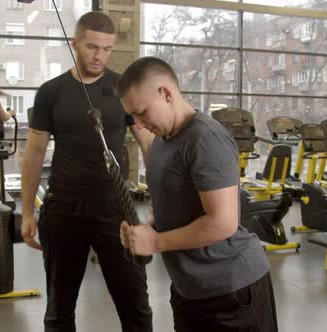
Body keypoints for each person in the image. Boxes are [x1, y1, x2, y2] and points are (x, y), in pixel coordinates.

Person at [117, 57, 278, 332]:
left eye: (142, 112)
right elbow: (179, 210)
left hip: (232, 291)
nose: (139, 124)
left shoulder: (205, 139)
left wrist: (155, 243)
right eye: (133, 116)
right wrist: (145, 232)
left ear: (166, 93)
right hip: (190, 290)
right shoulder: (162, 143)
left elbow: (222, 223)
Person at [20, 11, 154, 332]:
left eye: (107, 49)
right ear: (75, 43)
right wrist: (27, 211)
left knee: (136, 305)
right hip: (63, 209)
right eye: (93, 47)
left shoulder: (122, 89)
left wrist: (161, 202)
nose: (100, 56)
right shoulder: (51, 92)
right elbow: (35, 152)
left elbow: (149, 143)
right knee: (59, 311)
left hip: (114, 210)